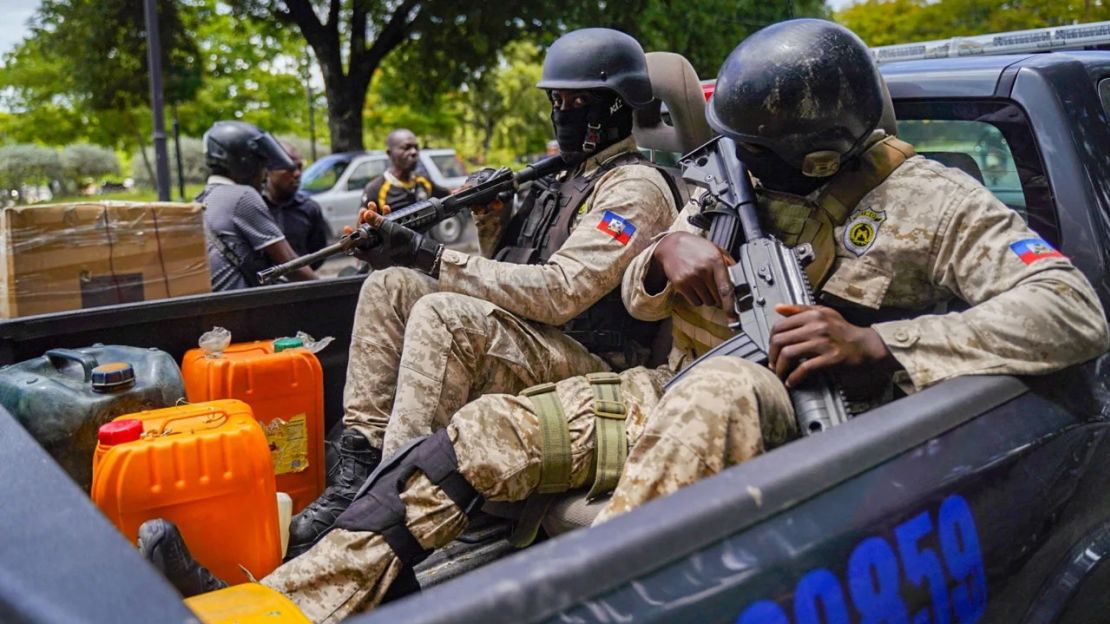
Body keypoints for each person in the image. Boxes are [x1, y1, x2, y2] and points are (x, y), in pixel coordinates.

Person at [141, 20, 1109, 621]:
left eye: (759, 153)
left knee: (728, 385)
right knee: (476, 440)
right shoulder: (729, 180)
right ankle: (279, 606)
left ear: (817, 156)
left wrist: (879, 344)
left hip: (816, 420)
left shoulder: (936, 202)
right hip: (669, 387)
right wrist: (669, 256)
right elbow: (649, 292)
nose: (738, 167)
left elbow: (1071, 309)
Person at [282, 26, 680, 557]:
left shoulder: (633, 188)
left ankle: (386, 513)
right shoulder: (566, 176)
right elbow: (513, 281)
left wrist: (431, 254)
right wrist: (489, 226)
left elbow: (560, 294)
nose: (562, 110)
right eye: (556, 99)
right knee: (391, 285)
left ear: (615, 106)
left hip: (597, 369)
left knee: (444, 313)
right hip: (543, 343)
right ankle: (358, 470)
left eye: (577, 100)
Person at [199, 121, 317, 290]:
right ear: (245, 162)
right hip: (244, 311)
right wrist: (332, 290)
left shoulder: (203, 199)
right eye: (262, 164)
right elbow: (291, 266)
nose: (265, 174)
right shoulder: (243, 196)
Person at [263, 142, 329, 269]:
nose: (297, 174)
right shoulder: (253, 207)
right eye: (289, 168)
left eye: (299, 167)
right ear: (269, 170)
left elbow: (318, 254)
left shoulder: (310, 209)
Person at [359, 129, 449, 212]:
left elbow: (449, 197)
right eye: (406, 148)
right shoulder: (375, 189)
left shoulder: (423, 181)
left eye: (416, 147)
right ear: (389, 153)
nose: (414, 152)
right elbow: (363, 224)